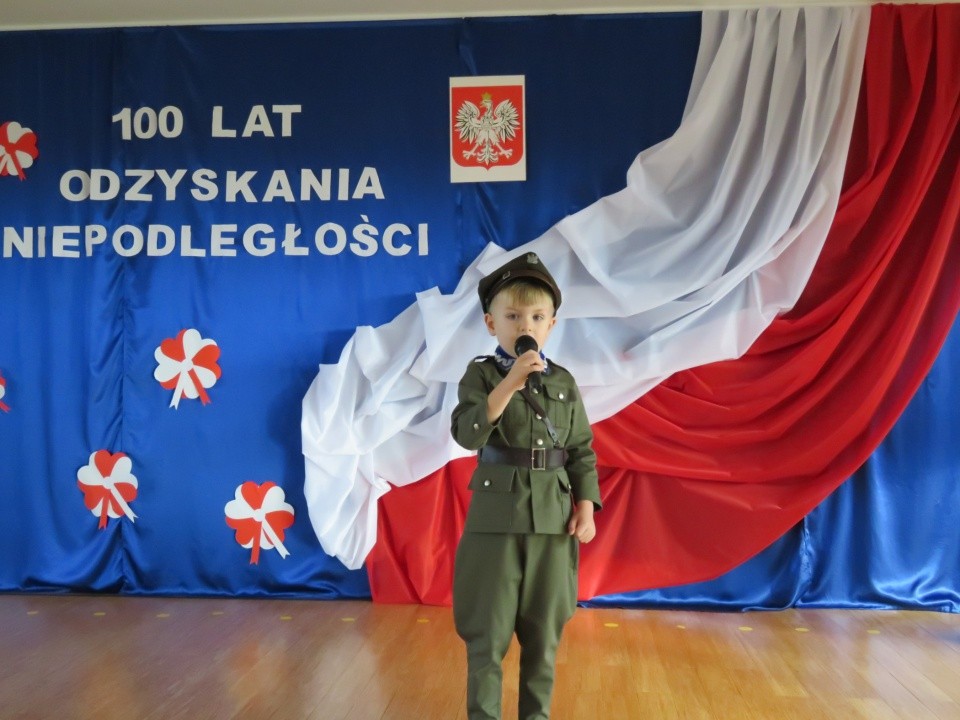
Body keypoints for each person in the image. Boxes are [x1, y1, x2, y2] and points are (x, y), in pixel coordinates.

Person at [451, 251, 602, 720]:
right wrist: (510, 383)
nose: (526, 326)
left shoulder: (564, 381)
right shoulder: (481, 374)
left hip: (553, 522)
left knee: (544, 636)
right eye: (513, 316)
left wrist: (586, 506)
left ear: (551, 324)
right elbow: (467, 434)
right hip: (495, 522)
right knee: (487, 633)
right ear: (491, 323)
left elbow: (580, 449)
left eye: (537, 317)